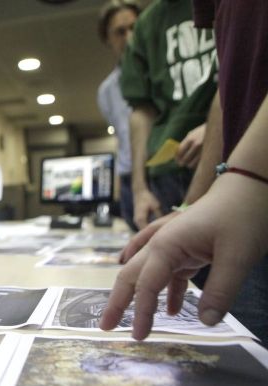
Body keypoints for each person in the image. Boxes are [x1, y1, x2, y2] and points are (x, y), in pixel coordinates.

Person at [101, 0, 268, 343]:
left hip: (243, 177)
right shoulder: (161, 21)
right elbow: (230, 81)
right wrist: (187, 204)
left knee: (243, 319)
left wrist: (250, 172)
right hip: (223, 180)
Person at [120, 0, 218, 229]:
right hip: (168, 175)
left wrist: (214, 129)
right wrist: (139, 189)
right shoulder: (146, 24)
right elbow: (141, 111)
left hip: (232, 162)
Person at [96, 0, 141, 232]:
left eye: (135, 27)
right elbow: (123, 137)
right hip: (128, 177)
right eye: (120, 32)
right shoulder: (106, 91)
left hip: (162, 172)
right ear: (108, 38)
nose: (129, 37)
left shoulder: (159, 74)